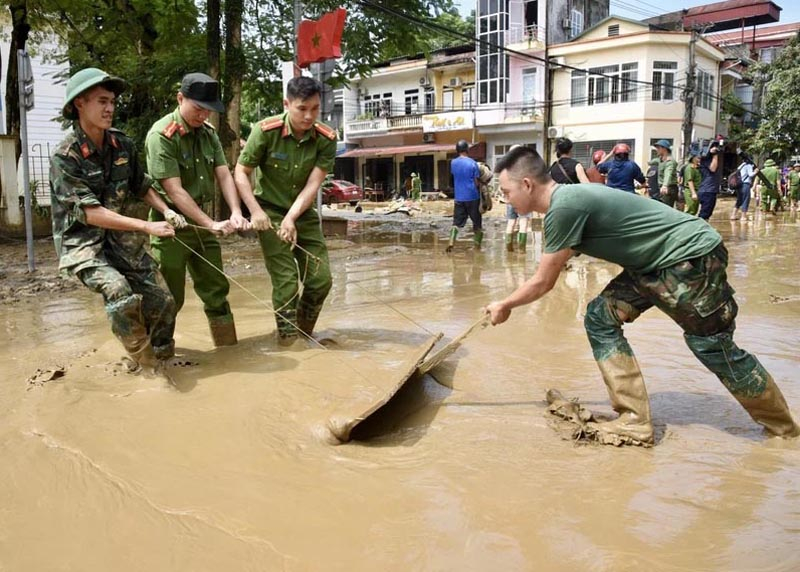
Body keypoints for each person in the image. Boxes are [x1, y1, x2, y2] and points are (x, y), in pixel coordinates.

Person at [485, 146, 799, 446]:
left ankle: (785, 431)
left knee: (712, 344)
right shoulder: (567, 202)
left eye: (507, 191)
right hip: (649, 265)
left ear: (527, 184)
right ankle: (634, 419)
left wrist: (505, 304)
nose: (505, 198)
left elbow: (543, 282)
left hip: (688, 257)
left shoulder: (563, 207)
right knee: (600, 317)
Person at [50, 68, 179, 375]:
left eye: (112, 102)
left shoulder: (123, 145)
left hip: (121, 241)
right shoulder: (64, 156)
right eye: (101, 101)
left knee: (163, 300)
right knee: (118, 289)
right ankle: (146, 367)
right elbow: (91, 213)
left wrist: (166, 210)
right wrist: (148, 226)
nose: (109, 109)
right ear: (79, 104)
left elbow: (141, 184)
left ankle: (164, 359)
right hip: (83, 245)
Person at [146, 72, 246, 354]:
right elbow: (175, 190)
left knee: (217, 290)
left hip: (204, 225)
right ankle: (157, 355)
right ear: (180, 99)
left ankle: (228, 352)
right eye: (197, 108)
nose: (202, 116)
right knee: (169, 298)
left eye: (208, 111)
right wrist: (211, 223)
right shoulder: (161, 136)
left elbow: (224, 175)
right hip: (171, 227)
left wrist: (236, 211)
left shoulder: (209, 135)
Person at [234, 77, 336, 346]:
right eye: (302, 109)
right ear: (287, 104)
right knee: (287, 283)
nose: (309, 116)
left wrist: (292, 217)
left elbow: (314, 184)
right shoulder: (265, 131)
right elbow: (241, 173)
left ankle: (304, 333)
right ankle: (289, 342)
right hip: (269, 213)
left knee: (321, 279)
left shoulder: (326, 138)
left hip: (302, 213)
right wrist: (255, 212)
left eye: (315, 108)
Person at [446, 139, 483, 252]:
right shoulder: (473, 163)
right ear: (467, 149)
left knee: (456, 223)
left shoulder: (453, 163)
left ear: (457, 150)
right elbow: (476, 182)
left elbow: (453, 178)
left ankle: (452, 241)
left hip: (459, 197)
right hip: (473, 197)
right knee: (477, 223)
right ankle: (477, 248)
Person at [697, 141, 722, 220]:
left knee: (707, 213)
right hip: (707, 190)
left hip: (708, 189)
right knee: (704, 215)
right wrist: (715, 155)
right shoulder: (706, 159)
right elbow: (713, 168)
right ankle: (700, 229)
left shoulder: (706, 158)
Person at [654, 139, 679, 208]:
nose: (656, 150)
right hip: (662, 188)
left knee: (666, 209)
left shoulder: (670, 162)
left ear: (664, 149)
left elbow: (668, 173)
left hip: (668, 188)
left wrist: (665, 185)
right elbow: (651, 162)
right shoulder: (660, 159)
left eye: (658, 148)